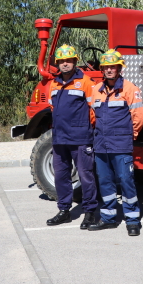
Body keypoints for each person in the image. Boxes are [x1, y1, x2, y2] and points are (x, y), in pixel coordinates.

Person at [86, 49, 143, 236]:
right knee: (105, 182)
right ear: (102, 69)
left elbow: (139, 117)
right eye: (106, 67)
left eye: (113, 66)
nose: (110, 70)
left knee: (126, 181)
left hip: (121, 145)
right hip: (101, 145)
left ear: (120, 68)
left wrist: (130, 136)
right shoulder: (96, 89)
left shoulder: (129, 89)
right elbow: (92, 116)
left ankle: (132, 219)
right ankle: (109, 217)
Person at [45, 45, 99, 229]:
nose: (65, 64)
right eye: (61, 61)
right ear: (58, 64)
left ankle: (90, 211)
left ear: (75, 62)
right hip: (60, 138)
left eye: (68, 61)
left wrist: (84, 129)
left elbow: (94, 111)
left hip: (80, 137)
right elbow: (53, 108)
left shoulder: (86, 82)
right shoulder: (54, 84)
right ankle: (64, 210)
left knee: (86, 175)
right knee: (61, 176)